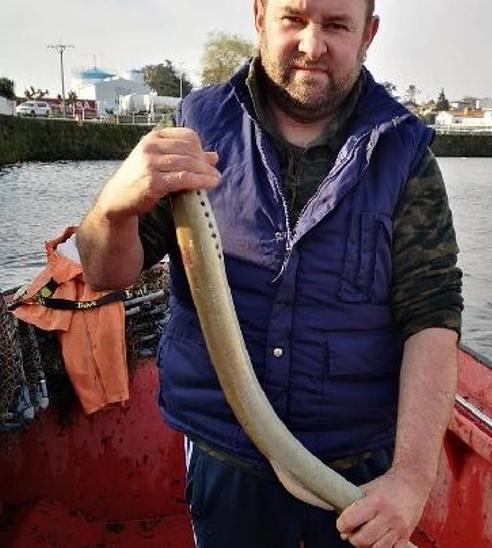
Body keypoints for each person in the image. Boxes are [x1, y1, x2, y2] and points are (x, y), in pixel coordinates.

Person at [75, 0, 463, 546]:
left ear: (368, 33)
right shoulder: (193, 130)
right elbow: (104, 274)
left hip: (355, 474)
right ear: (259, 16)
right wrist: (112, 209)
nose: (312, 44)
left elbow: (433, 314)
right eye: (294, 19)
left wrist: (412, 478)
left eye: (336, 25)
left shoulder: (404, 153)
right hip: (224, 455)